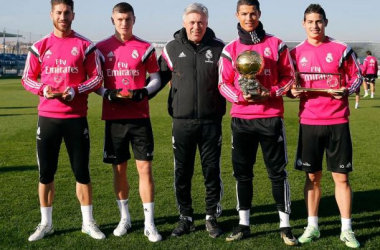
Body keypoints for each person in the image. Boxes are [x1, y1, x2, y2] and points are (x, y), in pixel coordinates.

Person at [21, 0, 105, 241]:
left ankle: (88, 222)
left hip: (76, 119)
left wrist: (76, 90)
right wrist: (43, 89)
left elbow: (97, 78)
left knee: (82, 172)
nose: (63, 16)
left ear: (73, 15)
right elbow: (28, 78)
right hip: (48, 119)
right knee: (45, 173)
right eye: (59, 12)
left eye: (67, 12)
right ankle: (46, 223)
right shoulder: (40, 46)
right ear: (51, 15)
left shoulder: (85, 45)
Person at [218, 0, 297, 245]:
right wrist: (241, 97)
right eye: (244, 13)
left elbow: (289, 78)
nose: (249, 17)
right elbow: (223, 83)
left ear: (259, 14)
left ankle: (285, 226)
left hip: (271, 118)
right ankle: (244, 224)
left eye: (253, 13)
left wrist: (269, 93)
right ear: (237, 15)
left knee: (277, 173)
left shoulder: (276, 44)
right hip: (241, 119)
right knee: (242, 174)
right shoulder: (230, 49)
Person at [289, 4, 362, 248]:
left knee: (341, 177)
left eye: (318, 21)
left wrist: (346, 89)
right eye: (310, 21)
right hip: (309, 121)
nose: (314, 25)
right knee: (312, 176)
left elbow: (356, 78)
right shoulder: (295, 52)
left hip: (337, 121)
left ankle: (347, 229)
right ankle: (312, 226)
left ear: (326, 22)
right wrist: (292, 91)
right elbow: (290, 85)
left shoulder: (341, 49)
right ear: (303, 24)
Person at [95, 2, 162, 242]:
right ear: (112, 20)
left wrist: (144, 91)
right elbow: (94, 81)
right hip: (114, 118)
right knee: (119, 169)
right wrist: (106, 93)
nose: (124, 23)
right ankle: (125, 218)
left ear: (134, 20)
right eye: (120, 19)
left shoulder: (145, 47)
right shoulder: (101, 49)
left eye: (128, 19)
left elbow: (155, 78)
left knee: (145, 169)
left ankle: (149, 222)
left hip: (140, 117)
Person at [158, 3, 225, 238]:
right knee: (182, 172)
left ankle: (211, 217)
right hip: (182, 122)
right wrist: (139, 95)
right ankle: (185, 217)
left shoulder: (219, 48)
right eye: (192, 22)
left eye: (201, 22)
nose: (197, 26)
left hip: (210, 122)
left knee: (211, 170)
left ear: (207, 23)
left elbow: (230, 81)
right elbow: (158, 80)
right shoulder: (171, 48)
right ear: (184, 23)